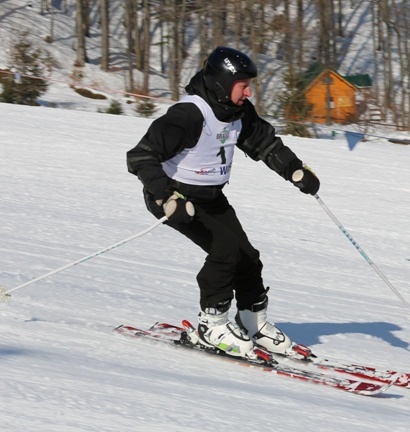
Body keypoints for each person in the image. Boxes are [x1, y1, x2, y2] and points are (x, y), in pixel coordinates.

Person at [126, 47, 320, 360]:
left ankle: (251, 322)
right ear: (220, 82)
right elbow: (141, 156)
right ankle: (211, 324)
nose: (249, 91)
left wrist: (294, 170)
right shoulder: (189, 115)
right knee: (225, 251)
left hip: (211, 196)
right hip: (175, 197)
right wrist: (165, 195)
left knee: (247, 257)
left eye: (249, 84)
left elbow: (265, 143)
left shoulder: (237, 111)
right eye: (243, 85)